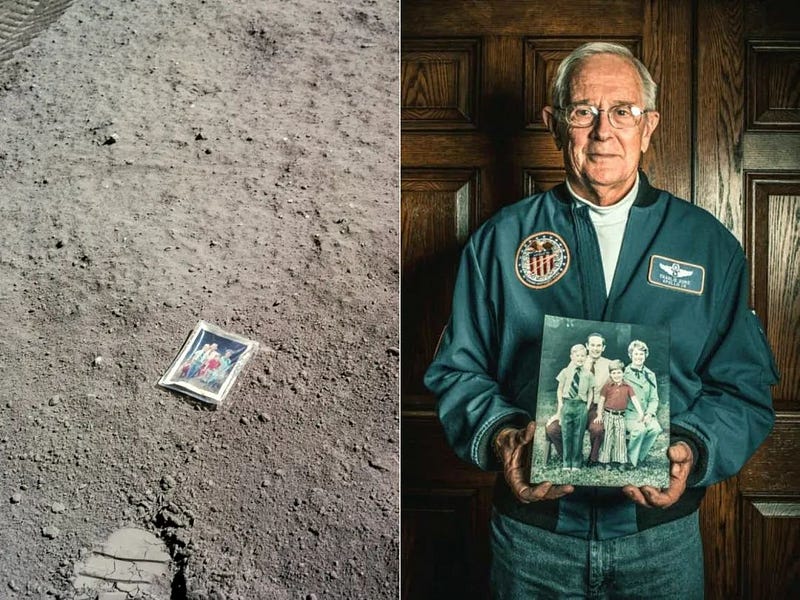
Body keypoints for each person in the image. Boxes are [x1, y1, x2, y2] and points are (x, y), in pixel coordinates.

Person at [424, 41, 778, 598]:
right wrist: (503, 438)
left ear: (650, 124)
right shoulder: (500, 242)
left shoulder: (708, 246)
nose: (602, 131)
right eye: (583, 111)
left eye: (622, 111)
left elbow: (745, 387)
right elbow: (457, 372)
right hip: (532, 540)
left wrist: (690, 445)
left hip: (661, 544)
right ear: (555, 123)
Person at [546, 332, 610, 466]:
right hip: (574, 406)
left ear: (603, 347)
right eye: (592, 345)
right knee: (552, 429)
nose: (595, 348)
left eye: (599, 345)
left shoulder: (609, 365)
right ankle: (569, 456)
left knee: (597, 429)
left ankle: (593, 459)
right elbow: (563, 389)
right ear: (587, 346)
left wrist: (604, 412)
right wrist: (559, 413)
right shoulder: (576, 360)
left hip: (596, 407)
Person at [551, 344, 595, 470]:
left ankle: (576, 462)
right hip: (567, 405)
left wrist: (587, 407)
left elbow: (590, 392)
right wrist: (561, 404)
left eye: (583, 356)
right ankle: (566, 462)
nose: (580, 358)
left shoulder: (588, 374)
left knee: (578, 435)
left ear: (586, 357)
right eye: (577, 355)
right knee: (566, 434)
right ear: (572, 356)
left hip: (581, 406)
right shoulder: (565, 372)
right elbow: (559, 389)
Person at [596, 360, 642, 471]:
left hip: (620, 416)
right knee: (607, 437)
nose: (616, 375)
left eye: (619, 372)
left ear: (623, 373)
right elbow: (601, 401)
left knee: (620, 438)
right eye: (614, 373)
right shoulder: (607, 386)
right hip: (608, 415)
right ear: (610, 374)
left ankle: (621, 461)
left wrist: (641, 413)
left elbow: (634, 400)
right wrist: (599, 415)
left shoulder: (627, 387)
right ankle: (605, 461)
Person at [624, 340, 663, 467]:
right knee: (639, 430)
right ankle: (630, 460)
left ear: (646, 355)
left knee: (655, 429)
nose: (638, 357)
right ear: (630, 355)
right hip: (629, 414)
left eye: (641, 354)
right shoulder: (623, 374)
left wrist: (649, 414)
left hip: (646, 413)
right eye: (636, 354)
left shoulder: (650, 375)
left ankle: (639, 456)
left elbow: (654, 398)